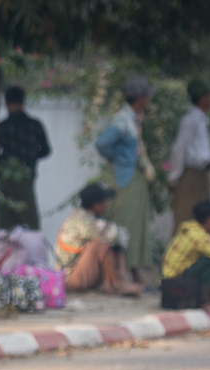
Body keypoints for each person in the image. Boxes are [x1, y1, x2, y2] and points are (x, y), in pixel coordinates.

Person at [95, 76, 156, 282]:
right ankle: (123, 274)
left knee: (136, 224)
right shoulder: (122, 120)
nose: (148, 100)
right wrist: (116, 159)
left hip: (133, 178)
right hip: (125, 179)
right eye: (146, 96)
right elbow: (102, 143)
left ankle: (134, 272)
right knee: (125, 224)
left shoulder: (133, 119)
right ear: (140, 98)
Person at [55, 183, 142, 295]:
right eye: (104, 201)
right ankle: (117, 284)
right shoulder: (80, 222)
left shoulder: (87, 218)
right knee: (101, 243)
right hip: (70, 280)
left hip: (80, 273)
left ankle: (115, 283)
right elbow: (119, 234)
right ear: (96, 205)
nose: (107, 204)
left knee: (112, 245)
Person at [0, 85, 51, 230]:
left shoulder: (3, 126)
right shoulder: (35, 125)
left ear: (6, 103)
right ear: (23, 102)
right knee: (29, 218)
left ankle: (5, 249)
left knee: (4, 220)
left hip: (5, 178)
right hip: (27, 175)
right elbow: (46, 150)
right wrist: (30, 158)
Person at [162, 201, 210, 300]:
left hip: (171, 280)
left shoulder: (191, 228)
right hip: (176, 282)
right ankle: (208, 298)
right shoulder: (198, 236)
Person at [168, 78, 210, 229]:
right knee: (187, 218)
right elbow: (179, 149)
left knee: (204, 222)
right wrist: (174, 177)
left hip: (201, 174)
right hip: (190, 175)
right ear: (202, 98)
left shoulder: (203, 119)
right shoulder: (190, 120)